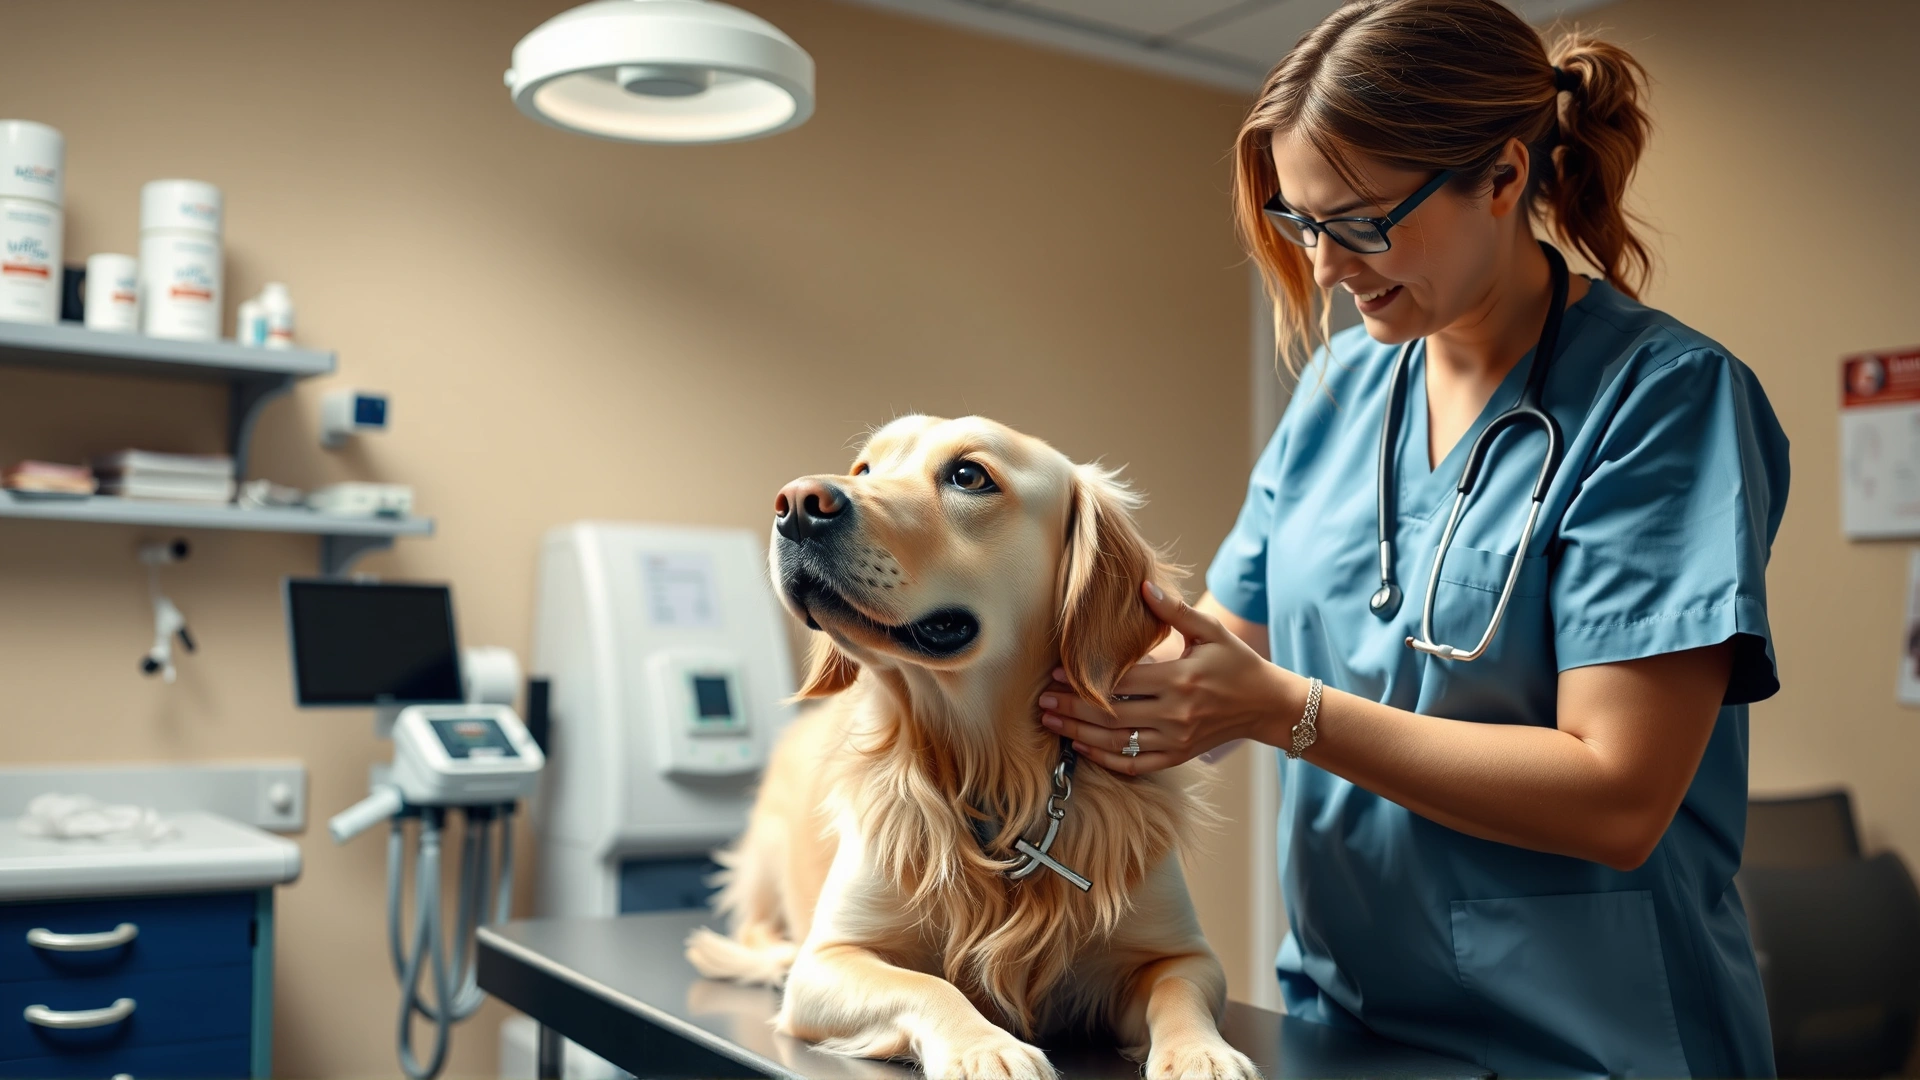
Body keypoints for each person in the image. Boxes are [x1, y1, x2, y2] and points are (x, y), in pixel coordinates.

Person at [1034, 1, 1790, 1075]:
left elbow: (1620, 796)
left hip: (1592, 1042)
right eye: (1303, 225)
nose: (1330, 265)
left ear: (1502, 176)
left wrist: (1287, 713)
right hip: (1346, 1022)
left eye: (1362, 221)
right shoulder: (1342, 390)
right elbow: (1213, 669)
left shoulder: (1667, 401)